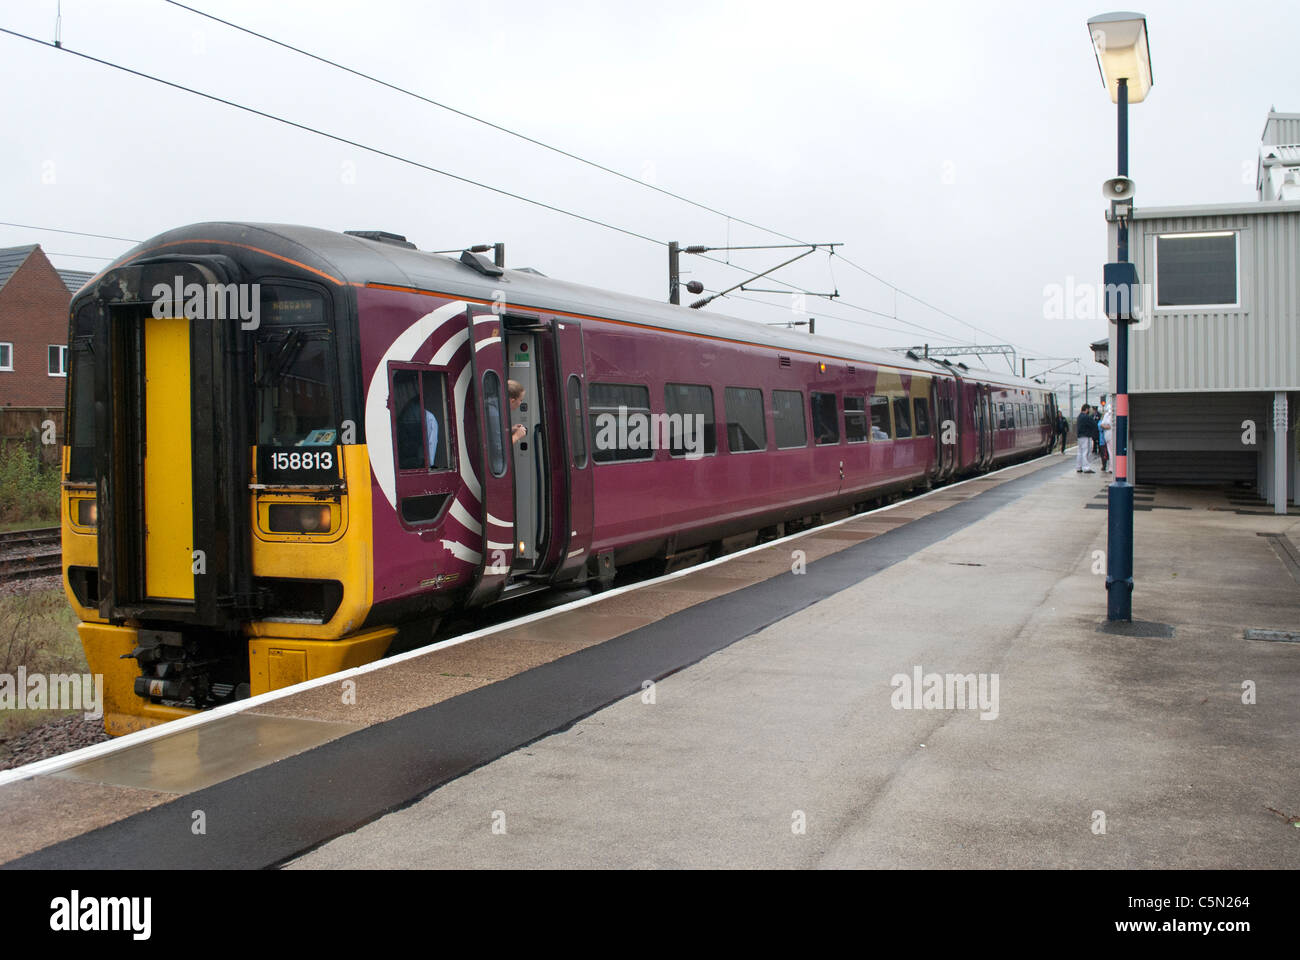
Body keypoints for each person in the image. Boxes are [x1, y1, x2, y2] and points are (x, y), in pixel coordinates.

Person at [1075, 404, 1098, 473]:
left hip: (1080, 437)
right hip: (1086, 436)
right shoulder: (1086, 417)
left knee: (1080, 452)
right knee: (1086, 452)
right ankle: (1086, 467)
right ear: (1087, 409)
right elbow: (1094, 424)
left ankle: (1078, 467)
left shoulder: (1079, 416)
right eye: (1089, 409)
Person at [507, 379, 526, 444]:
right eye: (520, 400)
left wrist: (509, 430)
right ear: (512, 401)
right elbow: (499, 446)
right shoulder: (496, 415)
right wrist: (517, 436)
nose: (521, 403)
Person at [1098, 400, 1113, 473]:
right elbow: (1104, 425)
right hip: (1109, 436)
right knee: (1111, 452)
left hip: (1108, 436)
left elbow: (1105, 425)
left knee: (1110, 452)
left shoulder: (1107, 415)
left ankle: (1111, 468)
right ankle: (1111, 467)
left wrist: (1104, 426)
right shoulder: (1108, 415)